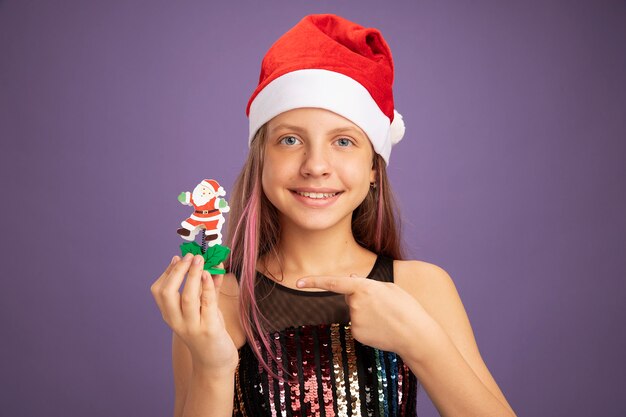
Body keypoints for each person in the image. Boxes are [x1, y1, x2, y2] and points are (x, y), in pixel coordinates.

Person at [151, 13, 516, 417]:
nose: (316, 165)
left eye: (343, 141)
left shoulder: (422, 289)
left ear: (375, 167)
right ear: (261, 160)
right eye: (290, 140)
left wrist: (421, 342)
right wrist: (213, 365)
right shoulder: (216, 299)